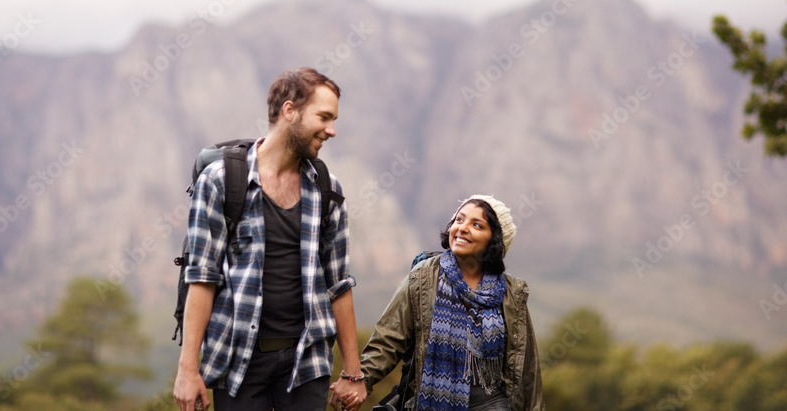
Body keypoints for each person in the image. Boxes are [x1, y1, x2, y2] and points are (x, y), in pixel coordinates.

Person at [173, 67, 368, 411]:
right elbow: (202, 278)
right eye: (324, 117)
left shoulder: (328, 189)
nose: (332, 130)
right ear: (289, 111)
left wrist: (353, 371)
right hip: (237, 361)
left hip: (307, 362)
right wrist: (188, 369)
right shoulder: (220, 182)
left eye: (334, 119)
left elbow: (338, 283)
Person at [353, 195, 545, 411]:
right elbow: (388, 340)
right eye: (459, 220)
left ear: (495, 240)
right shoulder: (423, 278)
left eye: (477, 225)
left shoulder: (512, 294)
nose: (462, 228)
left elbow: (528, 369)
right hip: (430, 400)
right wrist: (359, 380)